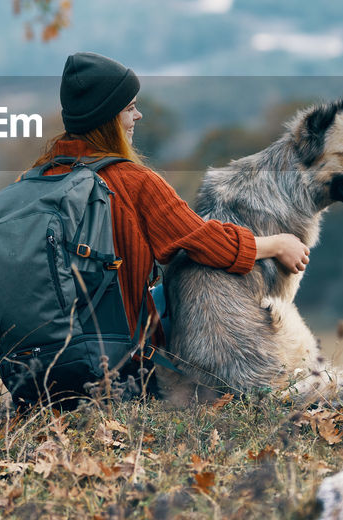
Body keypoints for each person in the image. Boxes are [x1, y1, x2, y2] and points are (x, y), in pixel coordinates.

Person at [32, 52, 312, 371]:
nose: (137, 116)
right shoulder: (134, 181)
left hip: (33, 369)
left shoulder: (38, 177)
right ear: (107, 118)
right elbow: (207, 242)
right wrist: (278, 244)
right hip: (111, 367)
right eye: (129, 108)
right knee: (175, 292)